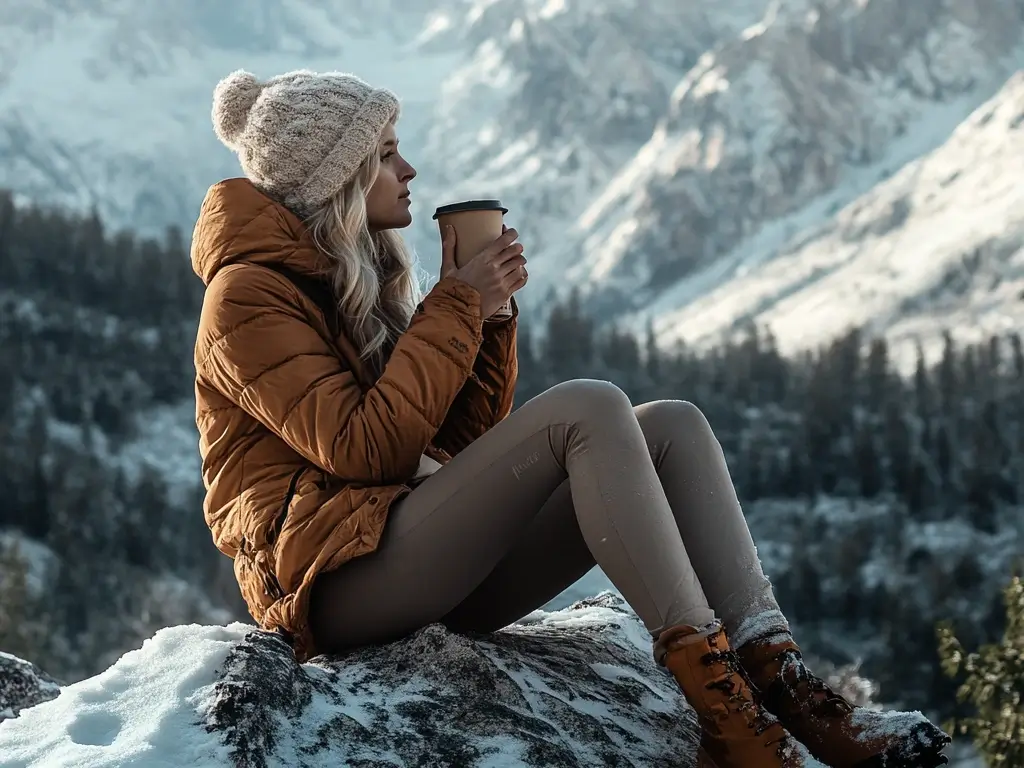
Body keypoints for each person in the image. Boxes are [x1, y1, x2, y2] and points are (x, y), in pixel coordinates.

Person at [191, 68, 950, 768]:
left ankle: (783, 687)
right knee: (586, 408)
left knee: (672, 425)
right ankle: (725, 714)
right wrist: (457, 307)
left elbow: (455, 448)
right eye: (387, 154)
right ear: (338, 177)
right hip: (334, 584)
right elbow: (368, 452)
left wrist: (485, 325)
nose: (409, 169)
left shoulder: (357, 275)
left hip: (411, 551)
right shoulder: (247, 297)